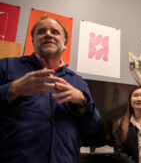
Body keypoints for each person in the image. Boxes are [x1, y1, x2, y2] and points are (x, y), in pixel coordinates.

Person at [0, 15, 102, 163]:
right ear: (33, 41)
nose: (48, 34)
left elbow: (92, 127)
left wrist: (82, 102)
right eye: (41, 31)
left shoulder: (77, 81)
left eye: (55, 32)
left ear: (65, 43)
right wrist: (13, 89)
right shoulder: (6, 66)